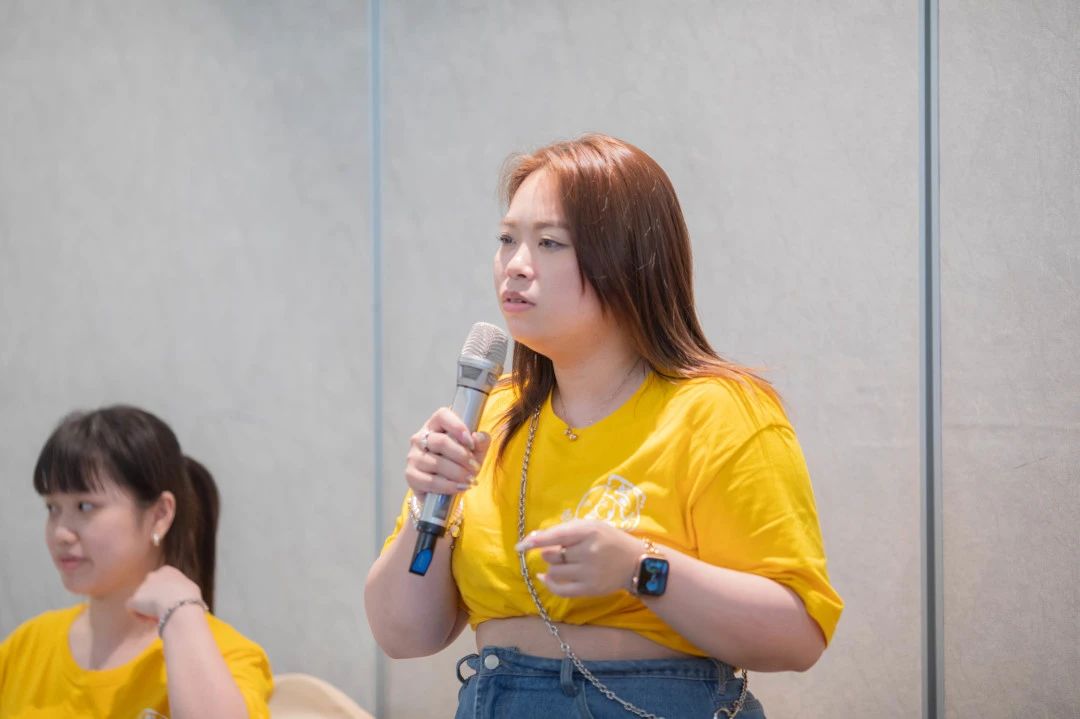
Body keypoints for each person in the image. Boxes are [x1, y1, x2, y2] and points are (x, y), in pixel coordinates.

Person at [365, 134, 843, 718]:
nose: (515, 265)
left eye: (549, 243)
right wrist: (428, 503)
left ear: (626, 260)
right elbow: (403, 635)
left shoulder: (717, 410)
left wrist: (639, 570)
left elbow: (797, 636)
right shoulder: (490, 415)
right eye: (507, 239)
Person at [0, 405, 273, 718]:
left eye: (85, 506)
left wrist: (181, 611)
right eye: (52, 508)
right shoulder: (28, 645)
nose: (61, 532)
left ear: (160, 515)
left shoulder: (226, 656)